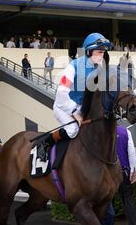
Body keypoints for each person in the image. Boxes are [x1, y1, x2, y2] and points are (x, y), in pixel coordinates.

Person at [36, 33, 113, 161]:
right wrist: (74, 113)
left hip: (82, 108)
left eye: (103, 53)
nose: (102, 56)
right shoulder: (73, 67)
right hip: (63, 106)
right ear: (88, 51)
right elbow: (61, 93)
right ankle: (45, 143)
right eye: (99, 52)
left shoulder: (99, 69)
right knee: (73, 130)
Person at [115, 123, 136, 225]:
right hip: (123, 171)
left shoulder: (101, 131)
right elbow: (131, 153)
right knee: (128, 199)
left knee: (107, 202)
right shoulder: (125, 131)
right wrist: (133, 171)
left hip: (107, 174)